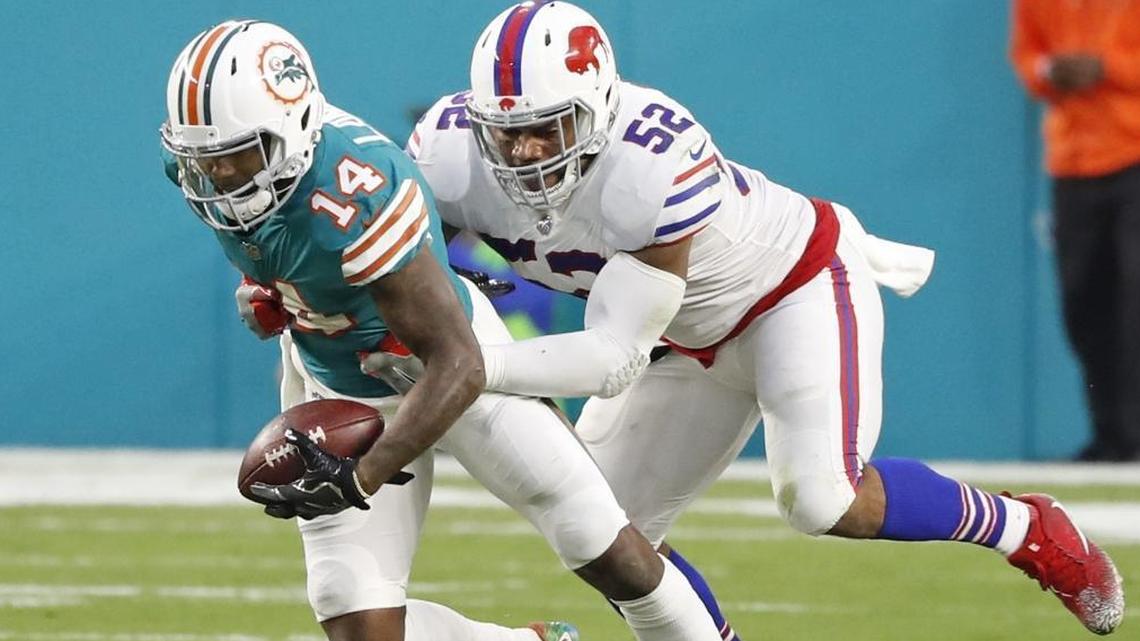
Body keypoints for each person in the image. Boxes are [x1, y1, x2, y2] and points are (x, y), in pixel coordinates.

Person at [395, 1, 1126, 636]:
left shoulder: (650, 161)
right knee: (609, 538)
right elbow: (390, 264)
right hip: (681, 340)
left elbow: (616, 353)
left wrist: (477, 365)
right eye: (507, 132)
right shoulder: (446, 154)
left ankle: (1027, 528)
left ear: (599, 108)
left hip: (788, 293)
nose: (523, 153)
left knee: (820, 496)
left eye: (549, 130)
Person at [160, 20, 725, 641]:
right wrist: (274, 296)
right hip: (338, 379)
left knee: (605, 547)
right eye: (204, 160)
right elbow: (288, 257)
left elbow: (458, 362)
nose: (220, 177)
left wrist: (364, 474)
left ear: (294, 130)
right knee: (355, 619)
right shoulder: (235, 172)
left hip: (448, 369)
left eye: (239, 154)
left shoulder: (359, 194)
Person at [1010, 0, 1140, 463]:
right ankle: (1114, 438)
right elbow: (1026, 58)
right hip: (1072, 159)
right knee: (1083, 306)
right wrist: (1048, 72)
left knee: (1133, 304)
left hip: (1135, 150)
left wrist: (1106, 68)